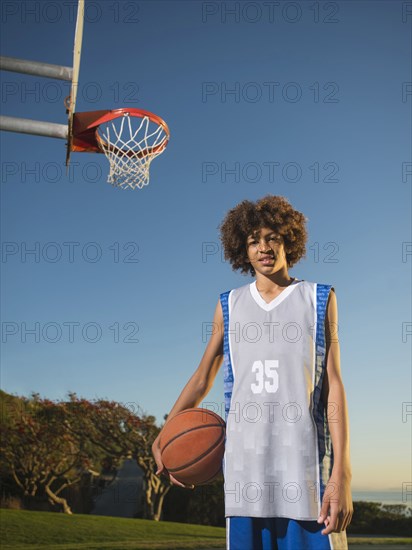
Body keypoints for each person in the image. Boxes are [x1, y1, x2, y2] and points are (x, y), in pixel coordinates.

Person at [152, 195, 353, 549]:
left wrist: (342, 472)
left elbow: (334, 385)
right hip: (245, 476)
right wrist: (165, 432)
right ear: (241, 250)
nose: (263, 247)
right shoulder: (229, 304)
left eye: (272, 237)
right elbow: (202, 377)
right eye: (252, 241)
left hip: (306, 474)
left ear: (289, 239)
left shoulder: (318, 298)